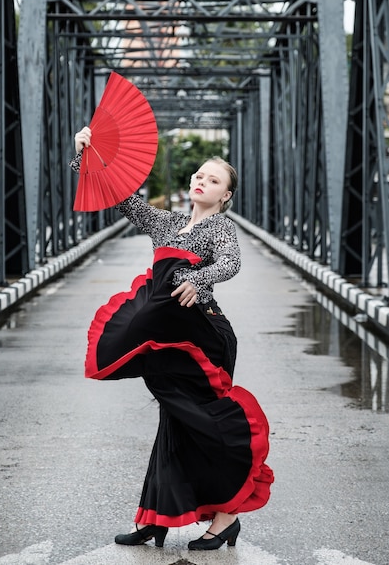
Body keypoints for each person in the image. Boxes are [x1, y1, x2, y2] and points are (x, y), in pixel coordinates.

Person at [71, 126, 274, 551]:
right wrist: (85, 154)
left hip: (202, 337)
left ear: (224, 197)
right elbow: (121, 196)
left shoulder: (218, 227)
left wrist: (199, 280)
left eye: (214, 180)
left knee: (202, 421)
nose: (202, 180)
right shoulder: (167, 223)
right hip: (169, 335)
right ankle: (156, 520)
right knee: (173, 424)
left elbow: (231, 263)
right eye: (200, 174)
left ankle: (227, 517)